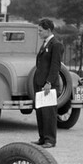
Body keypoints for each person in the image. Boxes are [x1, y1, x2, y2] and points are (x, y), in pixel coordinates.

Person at [33, 17, 62, 148]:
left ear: (48, 30)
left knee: (49, 112)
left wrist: (49, 82)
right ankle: (42, 137)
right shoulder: (45, 43)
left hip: (48, 84)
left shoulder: (55, 44)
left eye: (41, 30)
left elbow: (55, 66)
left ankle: (50, 139)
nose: (39, 33)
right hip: (39, 82)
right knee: (40, 111)